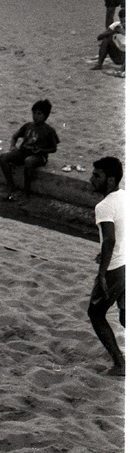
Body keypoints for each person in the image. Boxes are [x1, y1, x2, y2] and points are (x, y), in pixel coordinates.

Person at [88, 157, 125, 375]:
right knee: (124, 315)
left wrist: (102, 273)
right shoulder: (122, 197)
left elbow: (109, 239)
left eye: (97, 175)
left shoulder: (103, 206)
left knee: (96, 313)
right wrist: (104, 252)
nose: (91, 179)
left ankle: (120, 365)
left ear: (110, 181)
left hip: (116, 268)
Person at [0, 99, 60, 199]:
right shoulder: (28, 126)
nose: (35, 116)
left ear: (45, 116)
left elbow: (53, 148)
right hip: (24, 152)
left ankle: (26, 192)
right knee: (3, 157)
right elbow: (15, 136)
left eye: (39, 114)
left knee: (29, 162)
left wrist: (41, 150)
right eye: (34, 113)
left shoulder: (49, 130)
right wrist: (12, 146)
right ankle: (10, 185)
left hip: (39, 155)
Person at [94, 5, 125, 74]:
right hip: (118, 55)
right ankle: (99, 64)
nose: (124, 24)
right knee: (107, 38)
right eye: (122, 22)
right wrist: (112, 31)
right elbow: (99, 37)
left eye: (126, 21)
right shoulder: (116, 25)